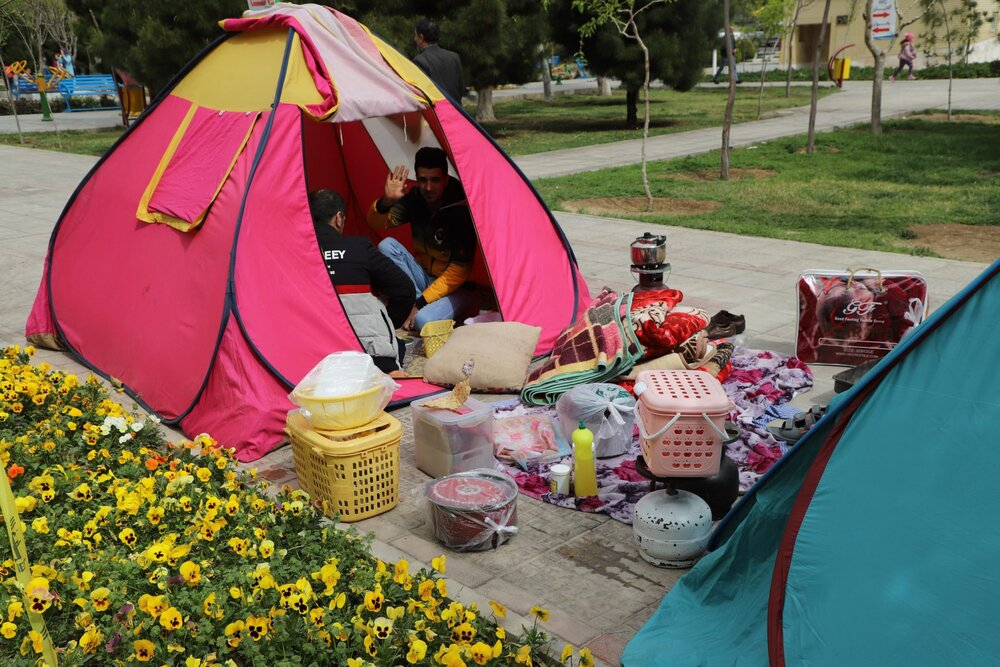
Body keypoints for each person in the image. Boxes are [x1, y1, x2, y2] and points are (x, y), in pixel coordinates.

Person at [367, 146, 478, 332]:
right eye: (422, 180)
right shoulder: (416, 198)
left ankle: (428, 308)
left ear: (445, 180)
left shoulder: (461, 208)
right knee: (386, 245)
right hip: (425, 278)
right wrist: (386, 202)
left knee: (422, 321)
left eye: (435, 180)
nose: (428, 188)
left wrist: (418, 304)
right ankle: (416, 304)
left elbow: (457, 275)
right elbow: (377, 223)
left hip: (457, 289)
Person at [310, 189, 415, 374]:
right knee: (397, 346)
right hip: (372, 359)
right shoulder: (358, 248)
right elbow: (405, 289)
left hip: (313, 359)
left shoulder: (293, 255)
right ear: (339, 218)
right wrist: (387, 322)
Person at [413, 18, 465, 101]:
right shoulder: (454, 57)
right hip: (456, 111)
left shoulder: (420, 61)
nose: (414, 39)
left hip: (437, 112)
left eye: (415, 35)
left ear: (421, 37)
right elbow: (461, 88)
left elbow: (421, 93)